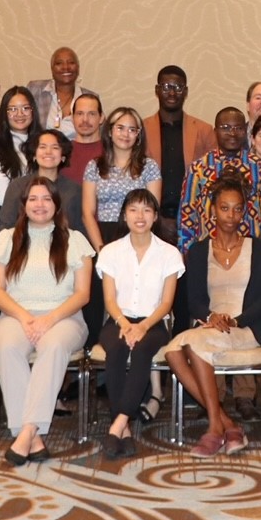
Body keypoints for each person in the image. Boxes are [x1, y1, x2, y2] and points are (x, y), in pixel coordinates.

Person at [165, 177, 261, 458]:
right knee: (173, 351)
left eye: (237, 209)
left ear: (245, 211)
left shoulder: (258, 248)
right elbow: (194, 301)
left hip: (246, 327)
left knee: (187, 345)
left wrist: (236, 320)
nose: (231, 215)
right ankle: (227, 425)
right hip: (211, 326)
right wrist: (211, 316)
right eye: (224, 208)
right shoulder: (200, 251)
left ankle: (216, 429)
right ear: (213, 210)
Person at [0, 177, 94, 465]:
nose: (40, 204)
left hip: (65, 318)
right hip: (15, 315)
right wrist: (25, 317)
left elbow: (83, 294)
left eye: (47, 199)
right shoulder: (6, 239)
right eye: (33, 199)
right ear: (23, 205)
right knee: (8, 348)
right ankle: (32, 435)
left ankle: (25, 433)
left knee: (54, 347)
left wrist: (49, 319)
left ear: (56, 204)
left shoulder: (75, 240)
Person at [96, 189, 183, 459]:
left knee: (143, 350)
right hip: (119, 320)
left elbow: (166, 303)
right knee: (117, 350)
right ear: (125, 214)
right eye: (133, 209)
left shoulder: (169, 253)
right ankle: (125, 430)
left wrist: (143, 326)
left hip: (154, 322)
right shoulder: (111, 251)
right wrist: (124, 323)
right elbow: (109, 299)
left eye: (147, 210)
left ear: (155, 216)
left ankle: (118, 423)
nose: (140, 216)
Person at [82, 107, 162, 343]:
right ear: (109, 131)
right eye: (120, 128)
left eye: (132, 129)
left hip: (138, 235)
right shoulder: (94, 166)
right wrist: (100, 248)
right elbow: (88, 212)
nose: (126, 134)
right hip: (103, 236)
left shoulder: (149, 166)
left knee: (133, 297)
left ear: (139, 135)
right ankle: (99, 359)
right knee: (99, 299)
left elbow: (151, 208)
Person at [177, 106, 261, 253]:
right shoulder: (198, 169)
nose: (232, 133)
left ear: (245, 131)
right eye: (225, 127)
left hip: (250, 254)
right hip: (208, 254)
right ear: (215, 131)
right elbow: (187, 217)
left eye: (238, 128)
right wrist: (187, 255)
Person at [143, 65, 215, 240]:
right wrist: (157, 219)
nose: (172, 93)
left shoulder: (204, 131)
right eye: (167, 87)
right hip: (151, 221)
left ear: (186, 91)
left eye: (178, 87)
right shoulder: (142, 129)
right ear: (157, 90)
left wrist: (190, 219)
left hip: (195, 221)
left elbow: (213, 180)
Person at [0, 87, 42, 233]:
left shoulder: (42, 146)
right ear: (4, 113)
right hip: (2, 222)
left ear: (33, 111)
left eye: (25, 108)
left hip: (38, 221)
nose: (19, 114)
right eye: (12, 109)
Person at [1, 129, 84, 232]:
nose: (48, 152)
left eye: (55, 147)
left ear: (63, 156)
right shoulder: (18, 186)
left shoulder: (74, 190)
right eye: (42, 147)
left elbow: (80, 229)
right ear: (34, 155)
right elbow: (5, 226)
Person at [26, 47, 99, 138]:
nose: (66, 67)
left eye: (71, 63)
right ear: (52, 68)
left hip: (78, 151)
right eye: (59, 63)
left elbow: (98, 135)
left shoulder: (91, 98)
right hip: (42, 150)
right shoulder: (35, 90)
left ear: (78, 68)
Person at [59, 93, 103, 184]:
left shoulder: (112, 152)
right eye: (79, 114)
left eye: (91, 114)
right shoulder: (60, 151)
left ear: (101, 118)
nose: (85, 120)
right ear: (72, 118)